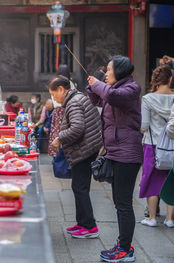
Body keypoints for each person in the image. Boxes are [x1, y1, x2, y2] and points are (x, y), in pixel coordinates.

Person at [87, 55, 143, 262]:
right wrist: (91, 85)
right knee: (120, 203)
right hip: (116, 152)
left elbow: (111, 96)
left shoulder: (130, 89)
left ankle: (126, 250)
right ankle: (123, 245)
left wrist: (99, 84)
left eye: (109, 70)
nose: (106, 74)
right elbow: (96, 98)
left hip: (127, 154)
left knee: (124, 204)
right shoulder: (113, 90)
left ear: (119, 72)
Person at [49, 75, 103, 239]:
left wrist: (60, 138)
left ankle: (89, 226)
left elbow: (77, 128)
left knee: (80, 188)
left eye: (53, 94)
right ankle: (81, 223)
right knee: (78, 186)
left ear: (61, 89)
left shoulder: (73, 102)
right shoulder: (77, 98)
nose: (54, 98)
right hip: (88, 147)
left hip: (85, 150)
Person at [140, 65, 174, 228]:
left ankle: (152, 217)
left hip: (152, 146)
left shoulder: (147, 99)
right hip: (172, 146)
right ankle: (169, 219)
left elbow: (144, 125)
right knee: (171, 180)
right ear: (170, 79)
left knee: (152, 179)